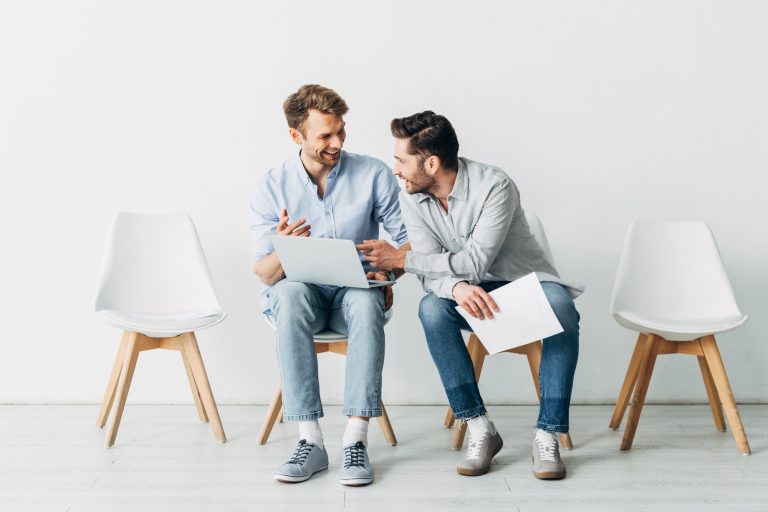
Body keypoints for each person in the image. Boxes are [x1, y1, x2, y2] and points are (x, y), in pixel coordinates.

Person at [357, 111, 582, 480]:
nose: (395, 169)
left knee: (561, 308)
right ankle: (480, 429)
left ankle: (548, 433)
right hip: (471, 293)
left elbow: (475, 262)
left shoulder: (495, 186)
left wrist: (404, 258)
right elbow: (433, 275)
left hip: (522, 285)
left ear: (431, 162)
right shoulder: (412, 197)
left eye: (401, 160)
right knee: (432, 308)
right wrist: (456, 288)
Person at [250, 84, 409, 486]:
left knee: (365, 299)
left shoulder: (372, 173)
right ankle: (311, 442)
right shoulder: (271, 186)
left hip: (355, 289)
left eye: (341, 131)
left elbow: (409, 243)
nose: (336, 142)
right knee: (286, 293)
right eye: (325, 135)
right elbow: (264, 273)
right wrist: (285, 250)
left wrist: (388, 269)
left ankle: (356, 441)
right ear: (296, 136)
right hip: (301, 293)